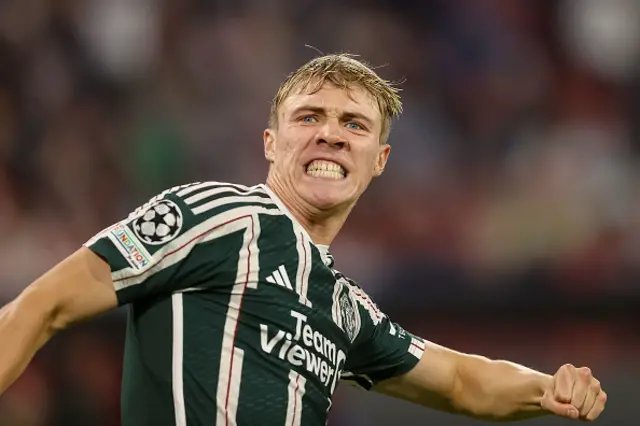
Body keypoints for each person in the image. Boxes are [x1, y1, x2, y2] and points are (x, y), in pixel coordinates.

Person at [0, 54, 606, 426]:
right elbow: (43, 304)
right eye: (309, 117)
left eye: (354, 125)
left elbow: (458, 381)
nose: (332, 136)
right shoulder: (214, 216)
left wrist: (547, 388)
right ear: (270, 143)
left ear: (380, 160)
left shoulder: (341, 304)